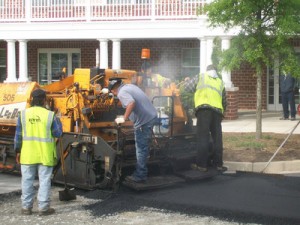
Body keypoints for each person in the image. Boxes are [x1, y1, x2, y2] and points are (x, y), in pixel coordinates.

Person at [14, 88, 63, 216]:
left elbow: (18, 136)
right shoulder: (50, 115)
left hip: (28, 154)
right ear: (44, 100)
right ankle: (44, 208)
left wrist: (17, 151)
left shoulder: (23, 114)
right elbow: (58, 133)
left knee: (27, 180)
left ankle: (26, 208)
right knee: (45, 181)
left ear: (31, 99)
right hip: (45, 154)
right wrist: (58, 117)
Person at [108, 78, 157, 183]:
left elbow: (131, 103)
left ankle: (140, 175)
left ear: (113, 90)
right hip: (150, 116)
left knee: (141, 148)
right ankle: (142, 171)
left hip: (144, 122)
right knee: (144, 147)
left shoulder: (121, 92)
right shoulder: (129, 86)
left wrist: (124, 118)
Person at [184, 65, 227, 172]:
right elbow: (225, 101)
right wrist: (222, 113)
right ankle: (218, 164)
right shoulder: (220, 82)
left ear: (207, 70)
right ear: (215, 71)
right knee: (217, 139)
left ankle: (201, 165)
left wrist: (187, 81)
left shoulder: (201, 77)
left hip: (204, 111)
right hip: (217, 112)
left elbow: (187, 88)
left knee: (203, 137)